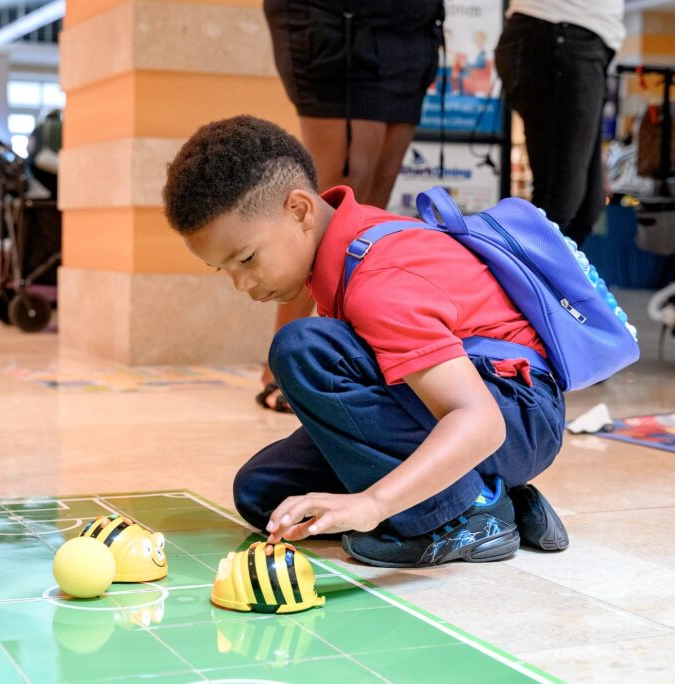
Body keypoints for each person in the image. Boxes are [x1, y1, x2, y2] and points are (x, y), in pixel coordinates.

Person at [162, 116, 568, 568]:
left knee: (304, 349)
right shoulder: (340, 248)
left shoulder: (378, 278)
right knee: (264, 491)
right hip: (477, 410)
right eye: (225, 269)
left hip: (514, 415)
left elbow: (480, 420)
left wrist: (374, 503)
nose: (241, 283)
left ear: (299, 211)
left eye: (248, 258)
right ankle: (496, 493)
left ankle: (464, 516)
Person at [257, 0, 444, 413]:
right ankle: (283, 363)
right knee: (338, 194)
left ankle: (340, 354)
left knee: (372, 198)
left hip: (410, 21)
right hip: (337, 15)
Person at [495, 0, 624, 245]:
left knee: (586, 206)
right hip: (558, 33)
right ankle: (525, 279)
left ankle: (546, 279)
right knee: (560, 201)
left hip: (578, 39)